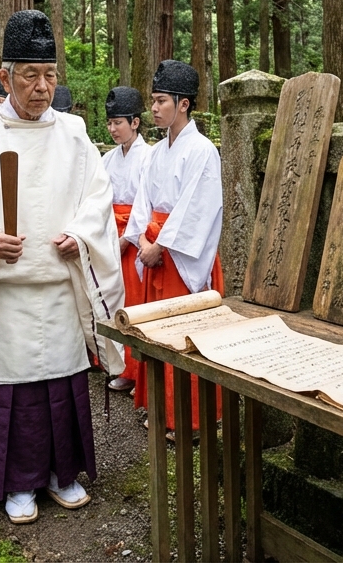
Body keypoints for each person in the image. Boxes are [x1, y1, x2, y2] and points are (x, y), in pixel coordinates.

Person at [0, 9, 126, 526]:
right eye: (30, 75)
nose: (42, 88)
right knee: (14, 396)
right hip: (9, 296)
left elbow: (98, 199)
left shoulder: (76, 135)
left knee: (64, 385)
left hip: (59, 286)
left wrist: (81, 236)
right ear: (5, 72)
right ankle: (17, 482)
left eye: (50, 75)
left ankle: (64, 475)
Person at [124, 59, 224, 435]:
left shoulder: (202, 150)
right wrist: (145, 240)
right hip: (155, 250)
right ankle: (161, 408)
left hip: (182, 258)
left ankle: (191, 417)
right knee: (157, 335)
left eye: (161, 100)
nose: (153, 107)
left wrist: (161, 246)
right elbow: (142, 202)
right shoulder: (156, 152)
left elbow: (198, 209)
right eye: (152, 100)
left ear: (184, 104)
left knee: (184, 337)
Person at [101, 86, 151, 394]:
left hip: (135, 236)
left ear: (135, 122)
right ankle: (119, 366)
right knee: (113, 300)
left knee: (135, 303)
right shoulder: (107, 159)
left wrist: (128, 238)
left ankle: (138, 372)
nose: (112, 128)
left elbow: (146, 201)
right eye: (109, 122)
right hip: (110, 233)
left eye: (118, 122)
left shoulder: (149, 155)